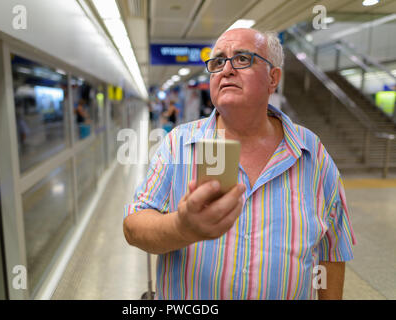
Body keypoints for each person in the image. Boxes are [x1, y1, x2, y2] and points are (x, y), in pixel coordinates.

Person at [123, 28, 356, 300]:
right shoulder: (179, 144)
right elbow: (133, 226)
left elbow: (332, 250)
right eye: (218, 61)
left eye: (243, 58)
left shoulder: (312, 153)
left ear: (273, 78)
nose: (227, 69)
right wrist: (181, 228)